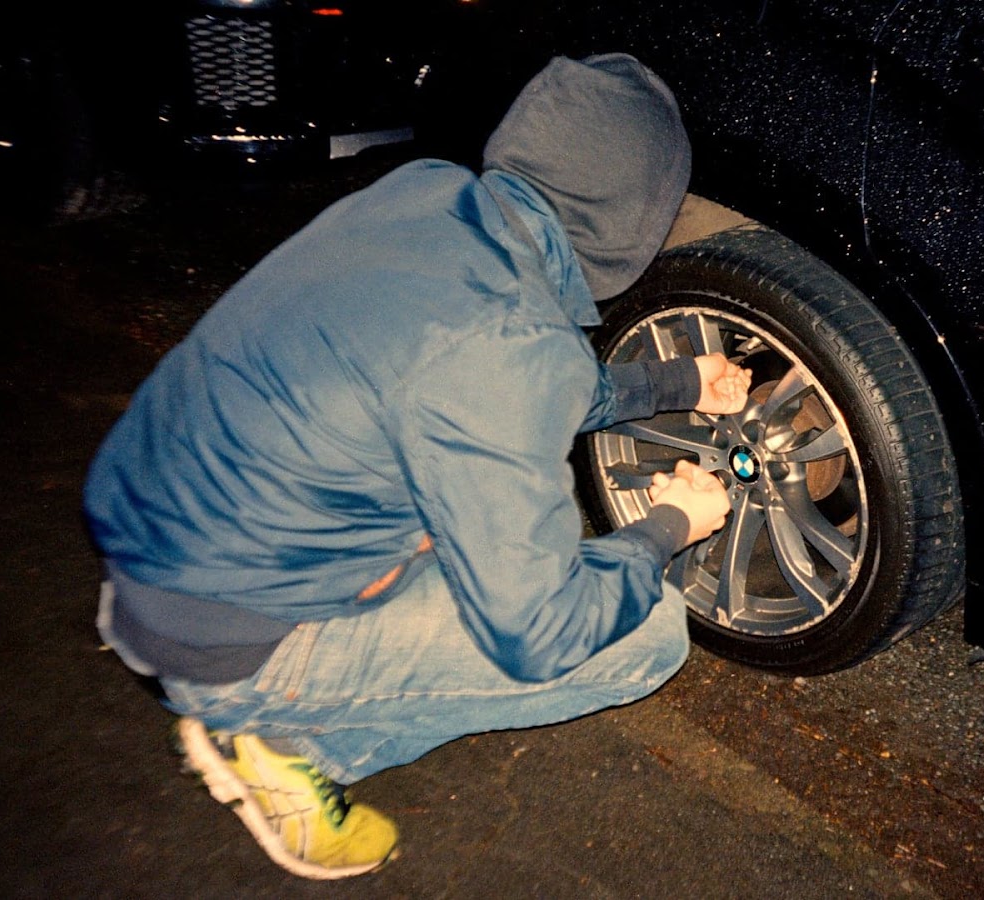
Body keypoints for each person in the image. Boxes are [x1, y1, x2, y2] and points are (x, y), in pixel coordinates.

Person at [83, 53, 752, 880]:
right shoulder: (509, 348)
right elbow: (541, 636)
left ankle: (272, 702)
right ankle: (287, 746)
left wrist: (679, 383)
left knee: (462, 508)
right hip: (224, 639)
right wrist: (667, 528)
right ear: (632, 220)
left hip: (164, 545)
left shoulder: (424, 196)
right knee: (643, 631)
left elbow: (494, 377)